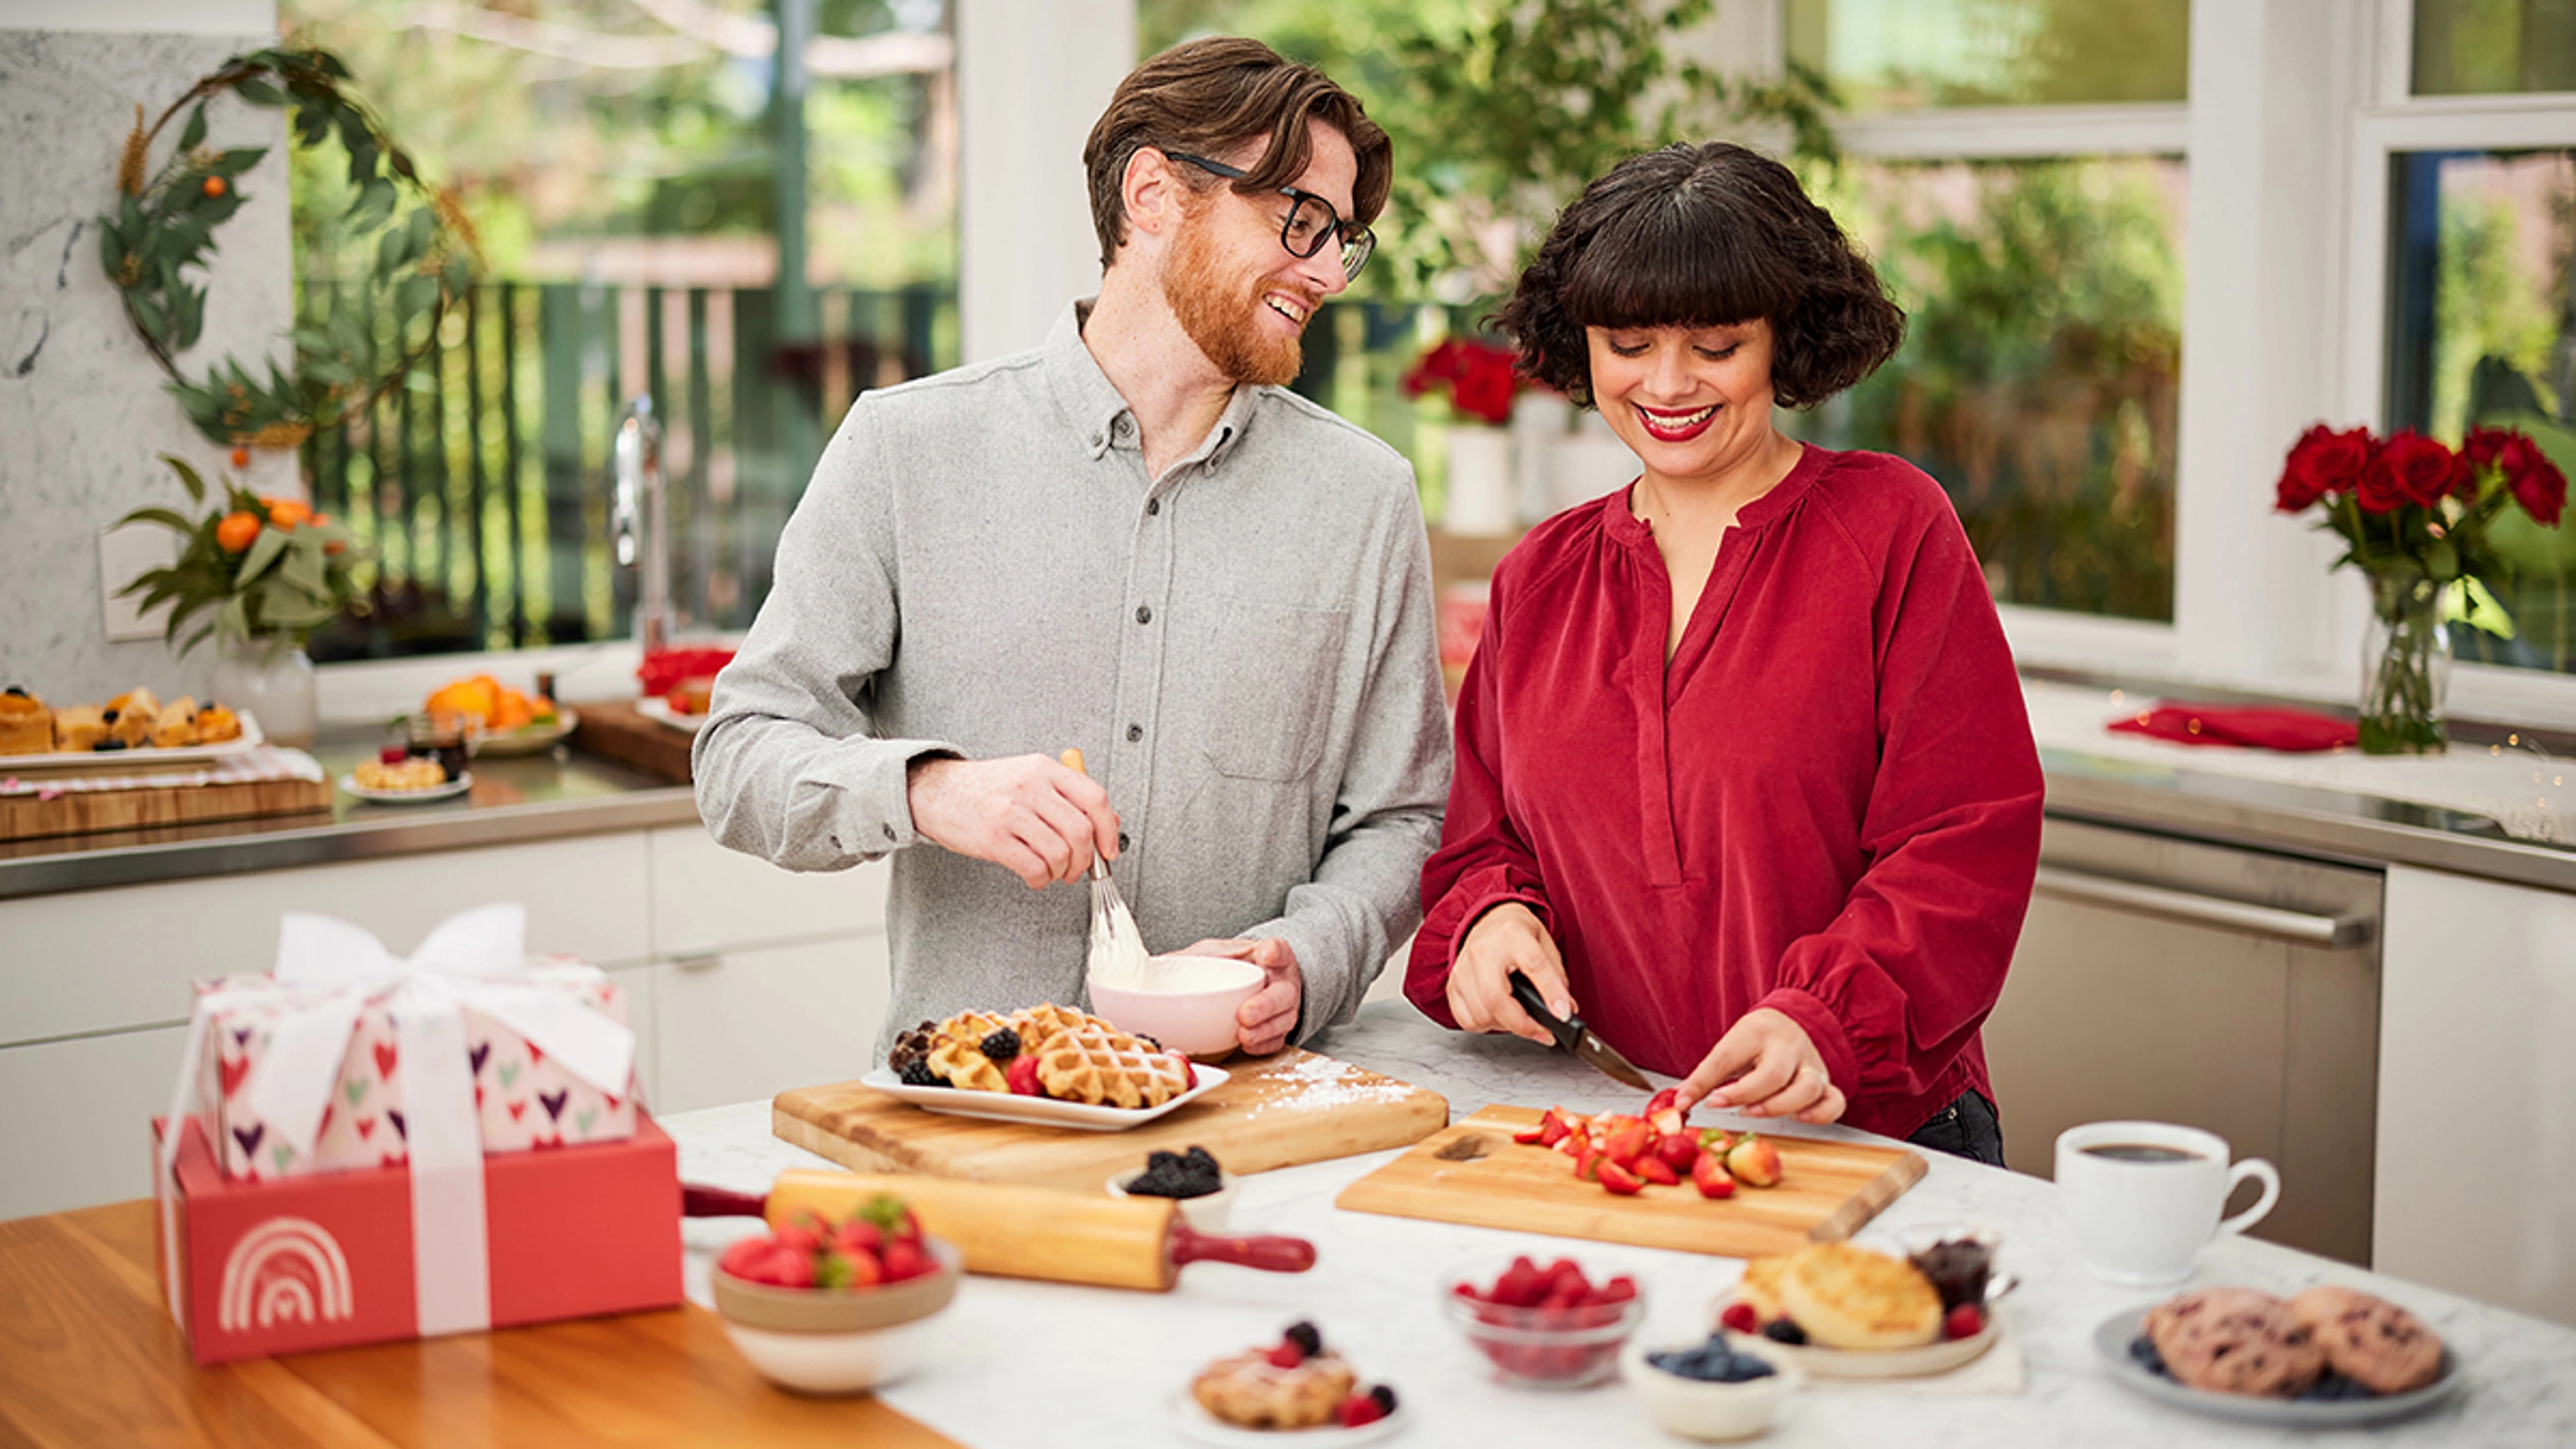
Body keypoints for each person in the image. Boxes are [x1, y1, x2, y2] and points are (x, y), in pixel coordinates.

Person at [695, 38, 1450, 1059]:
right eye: (1299, 221)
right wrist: (929, 791)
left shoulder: (1364, 500)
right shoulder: (907, 448)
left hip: (1241, 1113)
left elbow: (1404, 817)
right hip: (968, 1113)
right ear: (1153, 195)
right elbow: (739, 755)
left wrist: (1314, 954)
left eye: (1343, 238)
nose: (1326, 269)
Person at [1404, 142, 2043, 1162]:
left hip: (1868, 1138)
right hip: (1616, 1132)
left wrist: (1825, 1019)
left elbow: (1962, 837)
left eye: (1715, 344)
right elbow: (1483, 840)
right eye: (1630, 341)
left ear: (1783, 339)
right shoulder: (1541, 578)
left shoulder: (1891, 528)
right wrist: (1489, 921)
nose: (1667, 384)